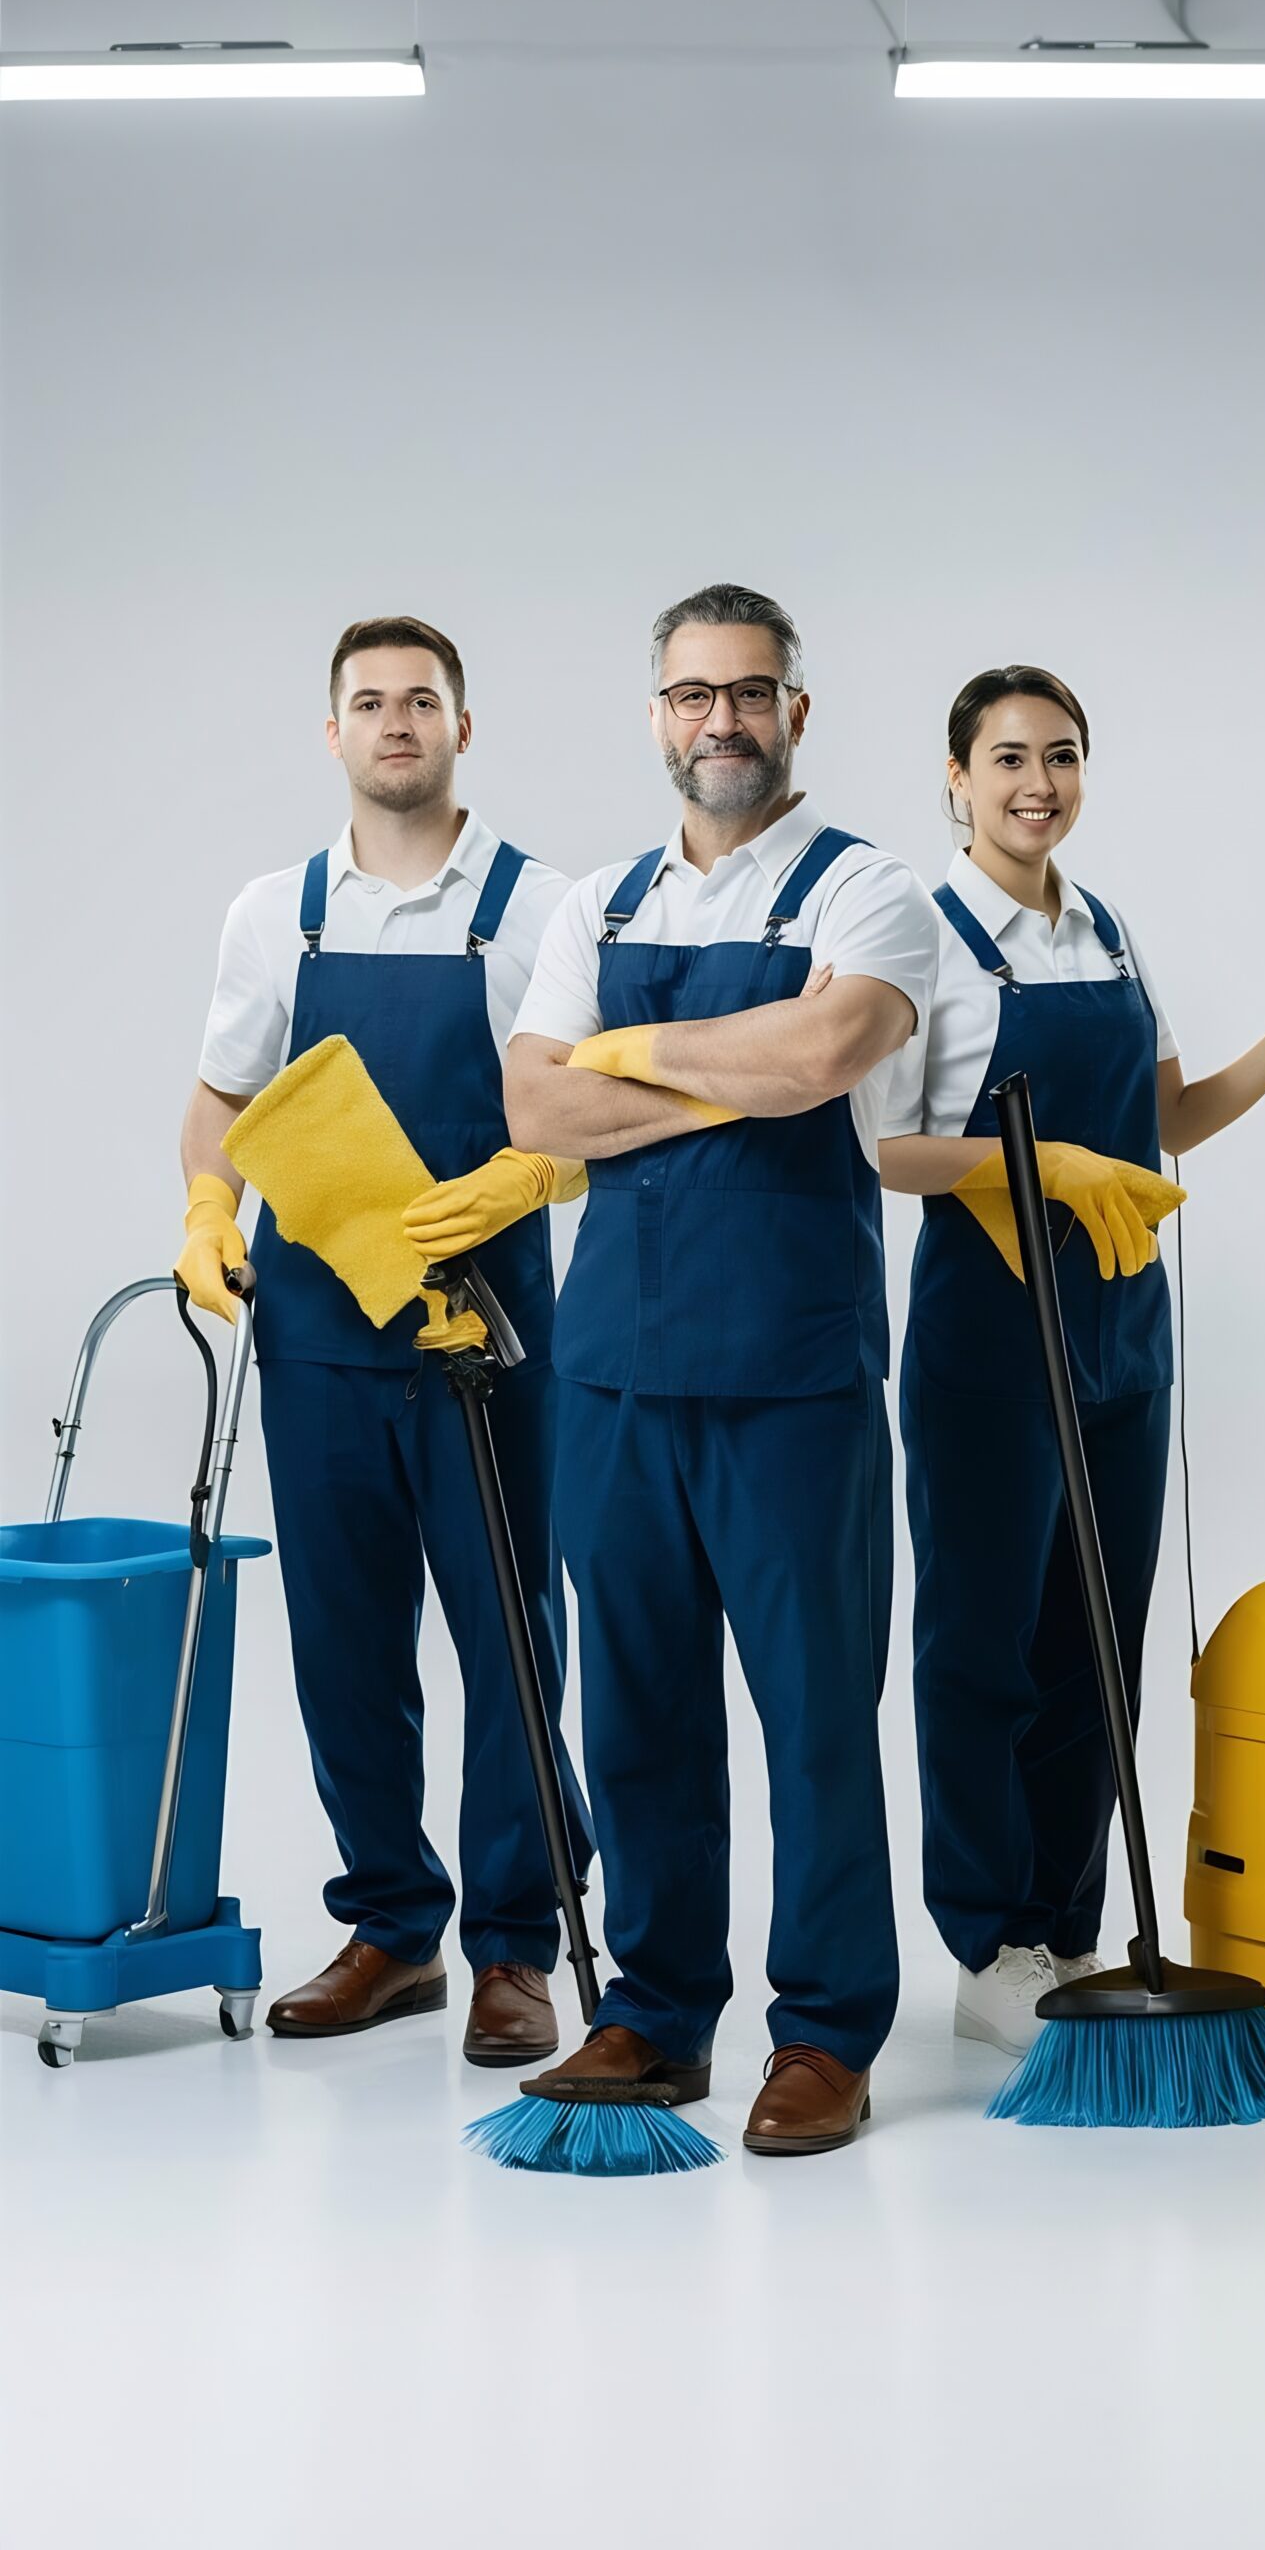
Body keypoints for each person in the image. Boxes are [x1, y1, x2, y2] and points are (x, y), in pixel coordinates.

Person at [881, 664, 1265, 2055]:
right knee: (982, 1648)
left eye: (1061, 754)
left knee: (1097, 1645)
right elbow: (882, 1147)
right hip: (987, 1339)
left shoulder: (1104, 931)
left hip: (1120, 1338)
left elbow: (1171, 1119)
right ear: (956, 779)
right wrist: (1038, 1163)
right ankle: (990, 1945)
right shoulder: (919, 938)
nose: (1036, 782)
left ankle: (1071, 1926)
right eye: (1006, 759)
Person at [504, 582, 936, 2154]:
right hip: (612, 1374)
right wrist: (719, 1070)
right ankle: (656, 2011)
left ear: (797, 713)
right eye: (694, 696)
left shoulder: (869, 890)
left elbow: (827, 1059)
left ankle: (823, 2031)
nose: (723, 721)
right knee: (636, 1716)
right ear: (658, 718)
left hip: (793, 1379)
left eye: (751, 693)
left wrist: (620, 1055)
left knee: (816, 1715)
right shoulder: (596, 905)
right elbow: (536, 1115)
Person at [178, 614, 592, 2061]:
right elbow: (225, 1102)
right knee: (345, 1640)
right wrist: (203, 1212)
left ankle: (514, 1946)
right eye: (369, 702)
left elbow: (588, 1103)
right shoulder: (274, 915)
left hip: (482, 1328)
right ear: (334, 732)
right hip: (315, 1334)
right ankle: (392, 1926)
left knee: (509, 1633)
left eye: (422, 700)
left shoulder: (545, 907)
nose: (396, 722)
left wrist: (544, 1171)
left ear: (463, 727)